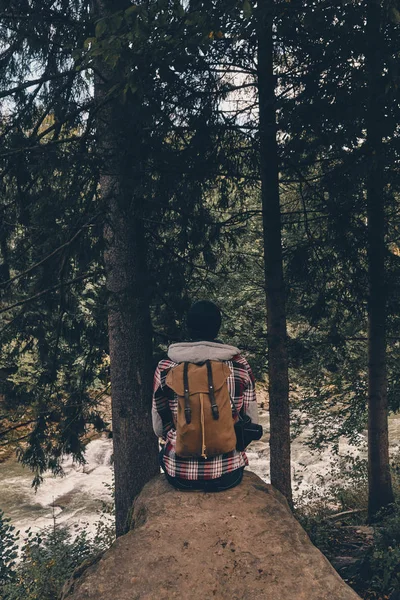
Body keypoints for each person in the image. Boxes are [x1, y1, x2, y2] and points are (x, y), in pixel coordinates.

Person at [152, 300, 259, 492]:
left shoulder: (166, 367)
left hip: (180, 474)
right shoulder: (240, 365)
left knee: (164, 453)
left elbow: (158, 427)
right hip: (227, 474)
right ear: (217, 329)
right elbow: (251, 421)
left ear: (189, 327)